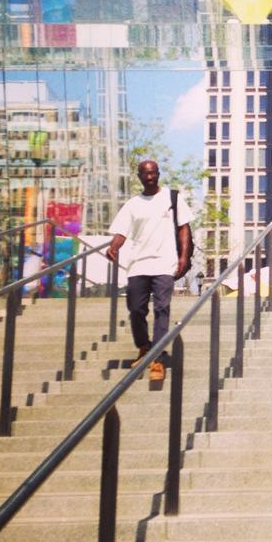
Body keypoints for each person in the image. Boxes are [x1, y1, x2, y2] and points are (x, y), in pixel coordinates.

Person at [106, 159, 192, 383]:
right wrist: (114, 247)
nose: (150, 177)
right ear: (139, 177)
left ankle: (157, 358)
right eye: (145, 173)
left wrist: (183, 257)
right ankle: (144, 347)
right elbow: (121, 232)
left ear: (159, 174)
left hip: (165, 262)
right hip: (138, 264)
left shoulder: (172, 198)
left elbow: (184, 228)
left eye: (153, 173)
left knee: (162, 308)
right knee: (136, 309)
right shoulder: (133, 204)